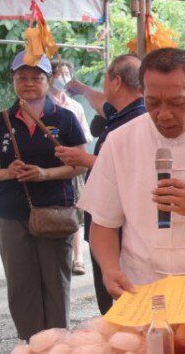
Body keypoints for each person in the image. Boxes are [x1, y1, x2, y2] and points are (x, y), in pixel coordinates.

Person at [79, 48, 185, 297]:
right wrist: (109, 269)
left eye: (177, 103)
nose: (163, 114)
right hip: (142, 286)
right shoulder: (119, 141)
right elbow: (103, 223)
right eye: (152, 102)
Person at [0, 54, 87, 339]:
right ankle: (33, 345)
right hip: (10, 212)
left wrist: (45, 174)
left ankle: (58, 344)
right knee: (21, 283)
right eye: (21, 78)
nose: (28, 83)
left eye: (36, 78)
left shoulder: (65, 118)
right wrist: (8, 172)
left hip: (55, 210)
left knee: (55, 280)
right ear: (13, 81)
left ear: (48, 81)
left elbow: (80, 164)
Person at [53, 55, 145, 314]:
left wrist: (84, 159)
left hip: (120, 226)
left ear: (116, 81)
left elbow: (133, 169)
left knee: (119, 297)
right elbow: (99, 102)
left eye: (105, 78)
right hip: (102, 220)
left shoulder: (138, 119)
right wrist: (79, 87)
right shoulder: (121, 110)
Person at [50, 60, 91, 276]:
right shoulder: (42, 105)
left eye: (66, 74)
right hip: (49, 166)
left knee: (74, 211)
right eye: (58, 74)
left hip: (73, 167)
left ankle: (78, 257)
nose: (63, 78)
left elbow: (85, 137)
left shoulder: (75, 107)